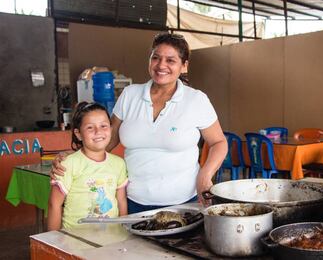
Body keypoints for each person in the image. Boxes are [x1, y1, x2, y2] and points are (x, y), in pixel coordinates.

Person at [52, 33, 227, 214]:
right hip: (133, 202)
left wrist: (205, 176)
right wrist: (75, 157)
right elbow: (108, 139)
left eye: (170, 60)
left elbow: (219, 143)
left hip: (184, 203)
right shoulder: (130, 95)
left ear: (184, 66)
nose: (161, 65)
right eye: (156, 58)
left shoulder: (195, 100)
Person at [48, 102, 128, 230]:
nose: (98, 131)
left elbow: (121, 200)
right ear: (78, 134)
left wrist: (125, 231)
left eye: (103, 126)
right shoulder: (68, 164)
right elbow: (54, 204)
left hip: (111, 238)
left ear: (111, 130)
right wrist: (52, 243)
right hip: (75, 239)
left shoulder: (119, 164)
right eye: (90, 127)